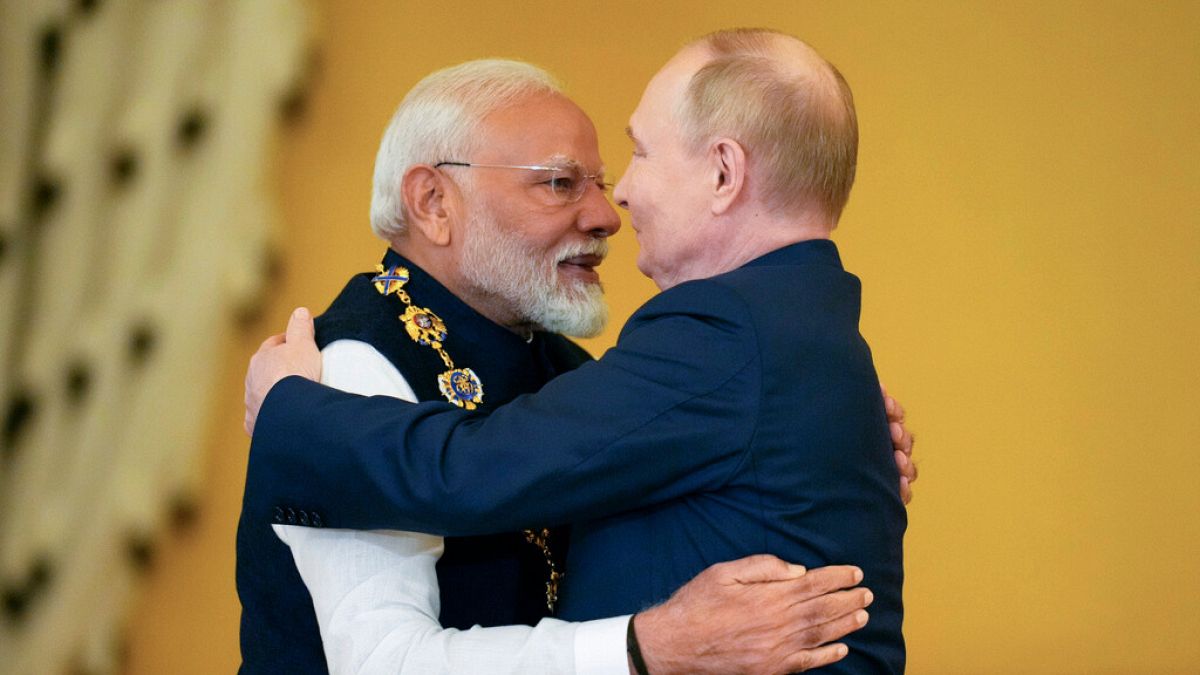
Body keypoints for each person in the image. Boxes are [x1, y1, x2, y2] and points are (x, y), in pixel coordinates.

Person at [245, 29, 914, 674]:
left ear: (724, 173)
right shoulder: (348, 366)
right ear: (432, 201)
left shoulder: (690, 343)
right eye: (561, 183)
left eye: (626, 165)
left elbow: (479, 467)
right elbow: (384, 664)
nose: (610, 209)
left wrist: (286, 409)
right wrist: (644, 646)